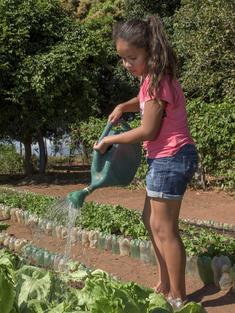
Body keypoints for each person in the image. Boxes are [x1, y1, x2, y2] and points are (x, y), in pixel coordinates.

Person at [94, 16, 198, 310]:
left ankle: (178, 297)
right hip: (164, 157)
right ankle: (165, 282)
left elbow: (149, 130)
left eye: (132, 57)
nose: (127, 64)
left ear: (150, 52)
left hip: (171, 156)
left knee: (165, 229)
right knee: (149, 221)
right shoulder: (149, 78)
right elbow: (142, 101)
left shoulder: (157, 80)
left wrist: (110, 141)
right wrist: (122, 106)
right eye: (123, 58)